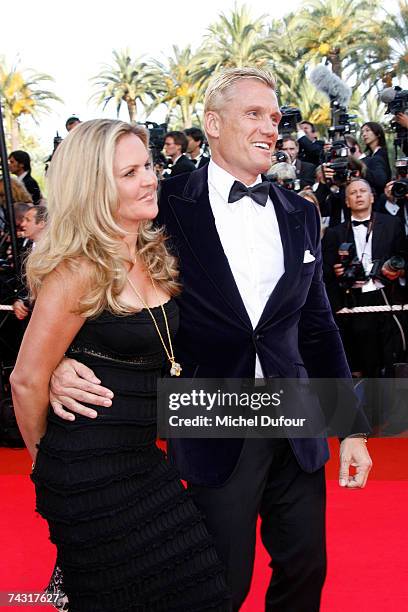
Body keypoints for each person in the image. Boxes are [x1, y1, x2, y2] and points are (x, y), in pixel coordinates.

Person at [48, 68, 371, 612]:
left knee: (305, 570)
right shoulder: (163, 203)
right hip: (209, 417)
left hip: (296, 421)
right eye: (254, 114)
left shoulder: (300, 213)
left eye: (274, 116)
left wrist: (353, 431)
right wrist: (59, 357)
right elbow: (84, 262)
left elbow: (318, 328)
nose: (271, 126)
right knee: (220, 582)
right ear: (213, 123)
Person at [10, 119, 231, 612]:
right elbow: (25, 380)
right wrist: (44, 466)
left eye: (148, 165)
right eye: (129, 172)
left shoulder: (153, 253)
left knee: (202, 589)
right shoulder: (78, 268)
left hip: (144, 463)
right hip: (89, 479)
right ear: (94, 188)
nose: (149, 179)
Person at [322, 178, 406, 377]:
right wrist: (337, 273)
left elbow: (403, 256)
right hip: (352, 302)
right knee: (362, 363)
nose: (358, 195)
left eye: (362, 191)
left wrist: (397, 270)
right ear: (346, 201)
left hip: (387, 298)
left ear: (372, 196)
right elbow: (324, 273)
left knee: (391, 362)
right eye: (353, 193)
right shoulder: (334, 234)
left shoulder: (392, 224)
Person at [12, 205, 48, 322]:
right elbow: (22, 281)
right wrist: (20, 300)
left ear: (41, 224)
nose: (22, 224)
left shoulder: (56, 252)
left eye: (28, 220)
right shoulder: (24, 246)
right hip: (28, 315)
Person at [360, 122, 391, 196]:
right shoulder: (370, 156)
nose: (364, 134)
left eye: (367, 130)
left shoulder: (381, 155)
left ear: (378, 134)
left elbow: (381, 181)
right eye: (362, 132)